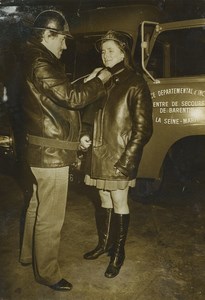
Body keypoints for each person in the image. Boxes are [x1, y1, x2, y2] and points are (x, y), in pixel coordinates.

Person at [19, 10, 111, 291]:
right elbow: (71, 99)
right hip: (51, 154)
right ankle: (47, 273)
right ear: (48, 35)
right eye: (62, 39)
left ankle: (27, 255)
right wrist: (101, 80)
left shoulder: (35, 59)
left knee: (36, 206)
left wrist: (88, 80)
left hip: (41, 151)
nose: (66, 45)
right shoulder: (41, 62)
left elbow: (59, 96)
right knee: (51, 215)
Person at [80, 30, 153, 278]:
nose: (106, 55)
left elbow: (143, 129)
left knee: (119, 202)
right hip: (98, 154)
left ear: (124, 52)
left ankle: (118, 253)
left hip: (119, 156)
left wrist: (127, 162)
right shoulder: (102, 79)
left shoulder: (135, 82)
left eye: (111, 50)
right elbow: (89, 115)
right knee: (103, 200)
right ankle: (104, 245)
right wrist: (84, 133)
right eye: (103, 51)